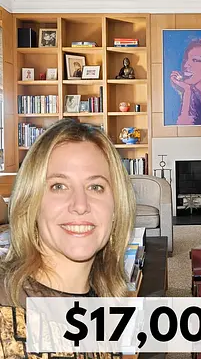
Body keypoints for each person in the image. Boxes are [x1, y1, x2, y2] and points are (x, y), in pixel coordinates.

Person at [0, 118, 135, 357]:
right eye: (59, 186)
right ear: (31, 203)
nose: (80, 205)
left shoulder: (107, 310)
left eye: (96, 187)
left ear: (116, 208)